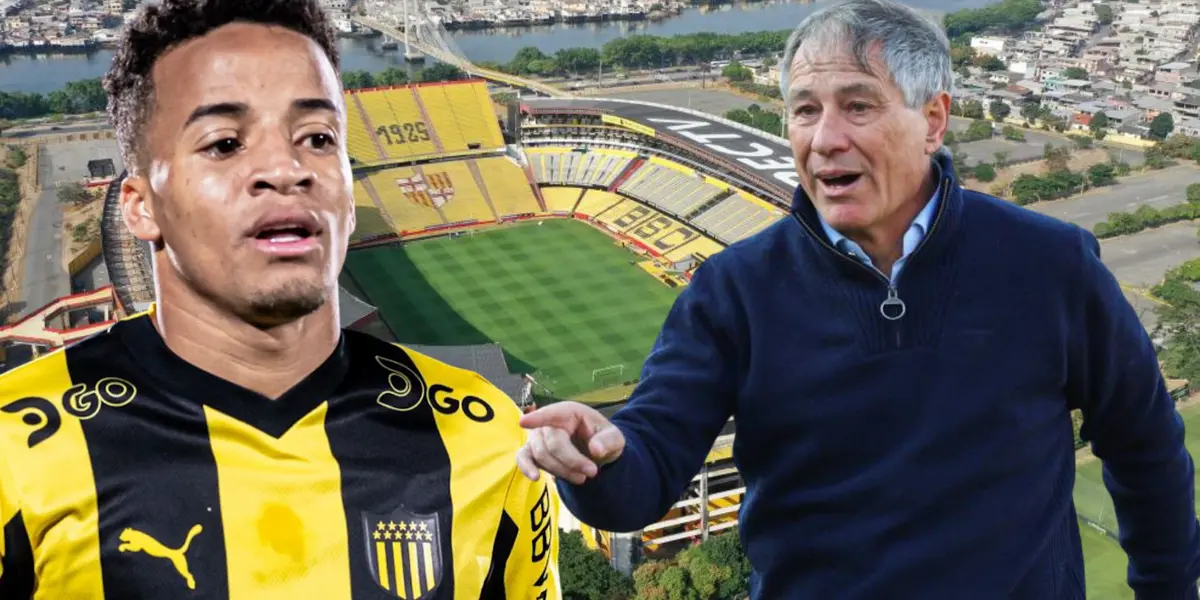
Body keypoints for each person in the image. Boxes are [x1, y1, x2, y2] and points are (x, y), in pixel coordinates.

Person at [517, 0, 1200, 597]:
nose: (824, 139)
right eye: (804, 110)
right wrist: (598, 461)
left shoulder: (1051, 264)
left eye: (858, 106)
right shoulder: (734, 290)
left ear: (933, 121)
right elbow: (649, 466)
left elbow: (1143, 446)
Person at [0, 1, 559, 598]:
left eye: (318, 138)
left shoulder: (487, 437)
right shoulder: (14, 451)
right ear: (141, 207)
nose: (286, 168)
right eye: (224, 144)